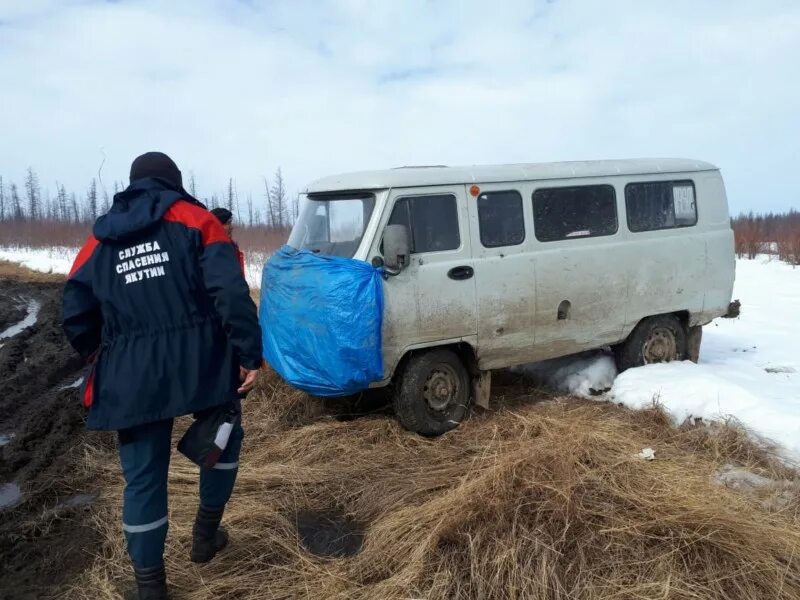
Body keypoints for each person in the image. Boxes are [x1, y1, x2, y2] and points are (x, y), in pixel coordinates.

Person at [62, 152, 262, 600]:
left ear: (132, 184)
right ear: (175, 181)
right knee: (223, 438)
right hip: (202, 363)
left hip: (130, 377)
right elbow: (230, 292)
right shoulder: (198, 220)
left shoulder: (98, 240)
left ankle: (150, 586)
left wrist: (106, 352)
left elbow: (74, 311)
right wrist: (248, 354)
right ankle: (206, 536)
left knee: (144, 479)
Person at [210, 207, 245, 274]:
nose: (231, 227)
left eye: (230, 223)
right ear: (217, 225)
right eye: (228, 223)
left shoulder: (232, 248)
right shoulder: (210, 252)